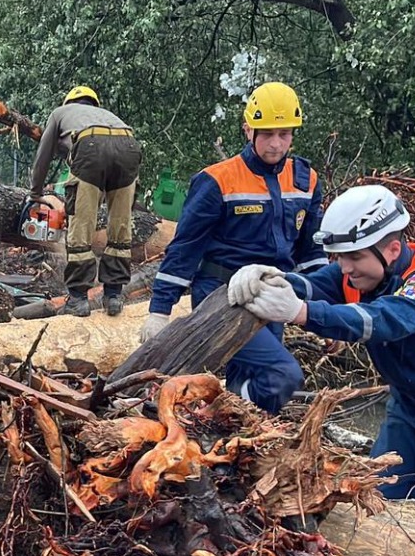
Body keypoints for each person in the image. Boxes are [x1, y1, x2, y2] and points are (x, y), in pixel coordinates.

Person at [230, 185, 415, 503]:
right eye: (339, 257)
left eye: (354, 257)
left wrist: (301, 313)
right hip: (410, 408)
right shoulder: (356, 274)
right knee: (381, 504)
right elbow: (313, 285)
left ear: (392, 250)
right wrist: (270, 278)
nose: (346, 268)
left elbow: (384, 320)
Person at [140, 81, 326, 413]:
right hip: (222, 296)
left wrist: (325, 310)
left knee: (249, 381)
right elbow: (185, 248)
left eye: (284, 134)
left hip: (273, 292)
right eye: (267, 133)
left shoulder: (305, 180)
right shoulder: (217, 180)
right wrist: (159, 311)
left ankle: (229, 443)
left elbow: (310, 252)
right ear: (247, 129)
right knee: (281, 374)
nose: (276, 143)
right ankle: (219, 415)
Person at [29, 85, 142, 317]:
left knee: (81, 227)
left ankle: (79, 298)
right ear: (93, 102)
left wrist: (35, 193)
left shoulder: (60, 113)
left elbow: (43, 157)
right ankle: (113, 295)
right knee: (120, 227)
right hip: (129, 146)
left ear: (69, 101)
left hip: (91, 146)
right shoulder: (108, 116)